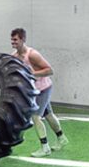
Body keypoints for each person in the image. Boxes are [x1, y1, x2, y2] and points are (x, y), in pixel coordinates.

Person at [9, 28, 68, 157]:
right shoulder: (14, 56)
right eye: (12, 39)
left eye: (15, 40)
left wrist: (31, 74)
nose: (13, 42)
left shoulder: (32, 54)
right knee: (49, 115)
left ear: (23, 39)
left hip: (43, 89)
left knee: (36, 117)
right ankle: (62, 138)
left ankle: (45, 147)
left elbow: (49, 70)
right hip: (34, 90)